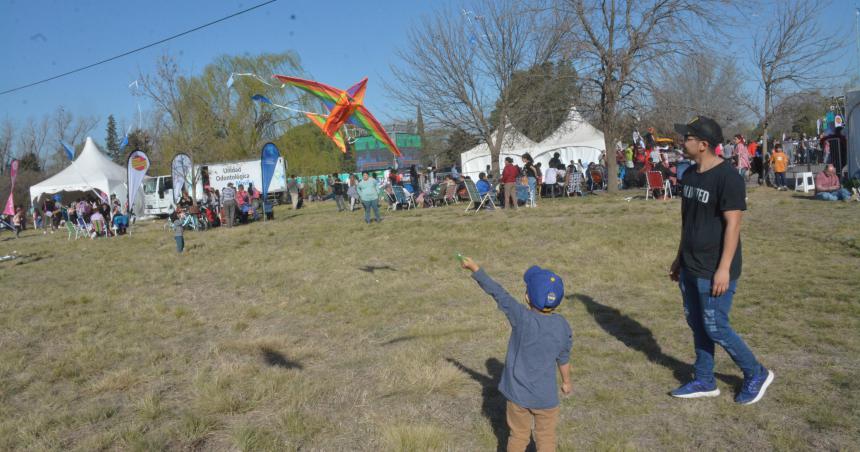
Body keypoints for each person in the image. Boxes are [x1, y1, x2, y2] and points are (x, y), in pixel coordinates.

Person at [670, 115, 773, 405]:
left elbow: (733, 225)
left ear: (703, 145)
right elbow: (687, 221)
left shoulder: (728, 178)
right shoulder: (689, 175)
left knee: (716, 325)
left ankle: (756, 373)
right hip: (690, 265)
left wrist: (724, 268)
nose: (682, 141)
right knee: (698, 324)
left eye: (687, 138)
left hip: (715, 268)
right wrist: (679, 258)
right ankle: (704, 379)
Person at [459, 256, 572, 451]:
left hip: (518, 397)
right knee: (546, 438)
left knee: (519, 436)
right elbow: (563, 357)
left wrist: (475, 269)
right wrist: (566, 381)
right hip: (546, 399)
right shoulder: (562, 326)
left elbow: (498, 293)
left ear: (527, 297)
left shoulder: (521, 318)